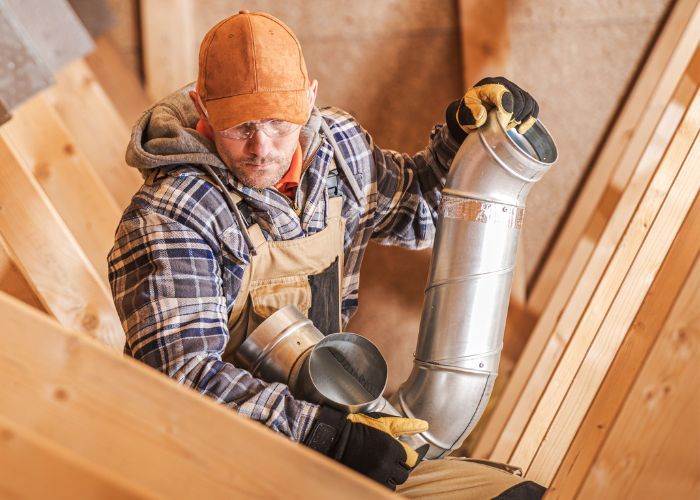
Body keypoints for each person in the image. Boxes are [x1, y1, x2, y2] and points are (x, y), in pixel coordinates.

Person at [109, 10, 544, 499]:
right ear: (201, 107)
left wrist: (462, 143)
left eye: (279, 123)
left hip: (331, 422)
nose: (261, 149)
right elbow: (184, 379)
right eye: (239, 128)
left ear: (310, 98)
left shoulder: (338, 152)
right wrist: (326, 436)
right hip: (220, 463)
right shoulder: (171, 215)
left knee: (517, 495)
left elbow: (418, 211)